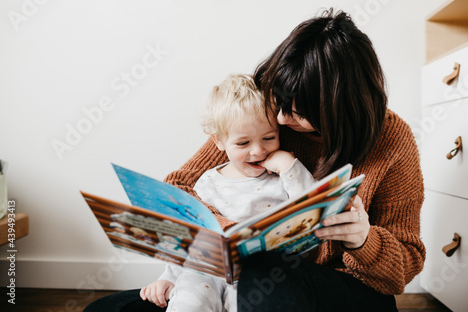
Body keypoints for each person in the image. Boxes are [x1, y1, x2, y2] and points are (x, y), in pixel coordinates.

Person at [162, 9, 426, 311]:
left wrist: (363, 240)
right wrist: (231, 230)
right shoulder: (263, 118)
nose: (280, 118)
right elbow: (179, 187)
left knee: (265, 275)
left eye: (299, 113)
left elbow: (404, 269)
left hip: (343, 290)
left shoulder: (393, 141)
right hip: (244, 278)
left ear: (339, 110)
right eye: (280, 101)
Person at [83, 74, 315, 312]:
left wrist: (289, 166)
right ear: (219, 142)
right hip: (207, 274)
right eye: (243, 143)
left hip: (260, 275)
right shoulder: (206, 182)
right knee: (189, 298)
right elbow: (188, 239)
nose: (258, 150)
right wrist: (169, 277)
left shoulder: (283, 177)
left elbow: (312, 208)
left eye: (269, 138)